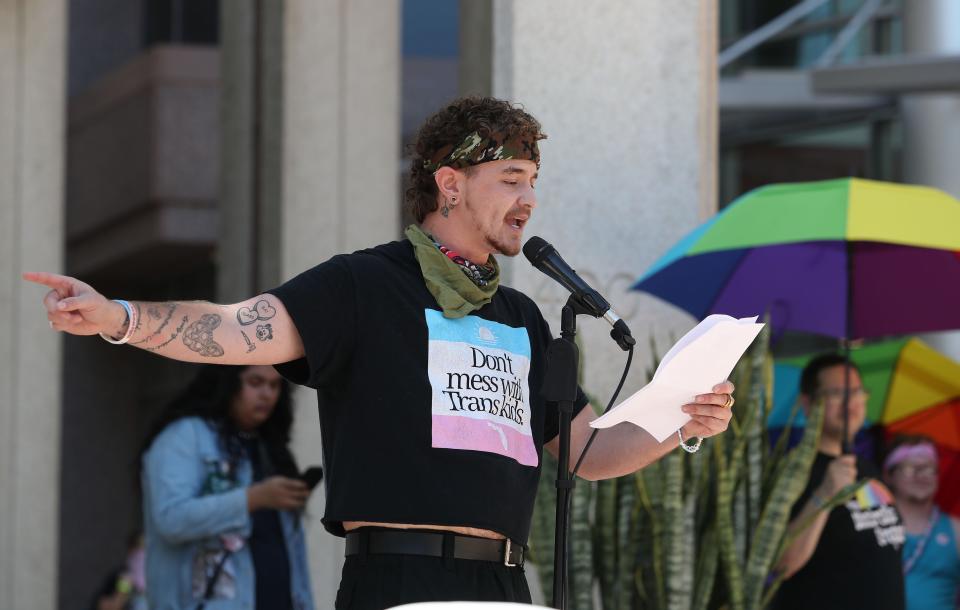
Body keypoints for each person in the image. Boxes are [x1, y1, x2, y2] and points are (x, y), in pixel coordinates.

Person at [25, 96, 735, 609]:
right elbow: (235, 326)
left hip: (504, 584)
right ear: (449, 184)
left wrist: (683, 420)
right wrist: (118, 317)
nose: (529, 200)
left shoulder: (520, 315)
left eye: (533, 182)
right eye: (511, 180)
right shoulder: (362, 286)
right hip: (397, 577)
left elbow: (588, 450)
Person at [140, 364, 315, 609]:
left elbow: (292, 554)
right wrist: (252, 499)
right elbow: (171, 518)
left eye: (275, 385)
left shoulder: (269, 448)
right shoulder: (184, 436)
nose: (266, 394)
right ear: (227, 383)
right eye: (255, 382)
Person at [774, 353, 906, 610]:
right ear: (808, 404)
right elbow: (781, 565)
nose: (850, 404)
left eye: (856, 392)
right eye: (836, 394)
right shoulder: (791, 473)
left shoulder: (867, 469)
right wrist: (824, 495)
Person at [883, 434, 960, 610]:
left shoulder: (956, 531)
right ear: (888, 474)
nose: (922, 476)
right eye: (910, 468)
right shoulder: (867, 527)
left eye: (929, 469)